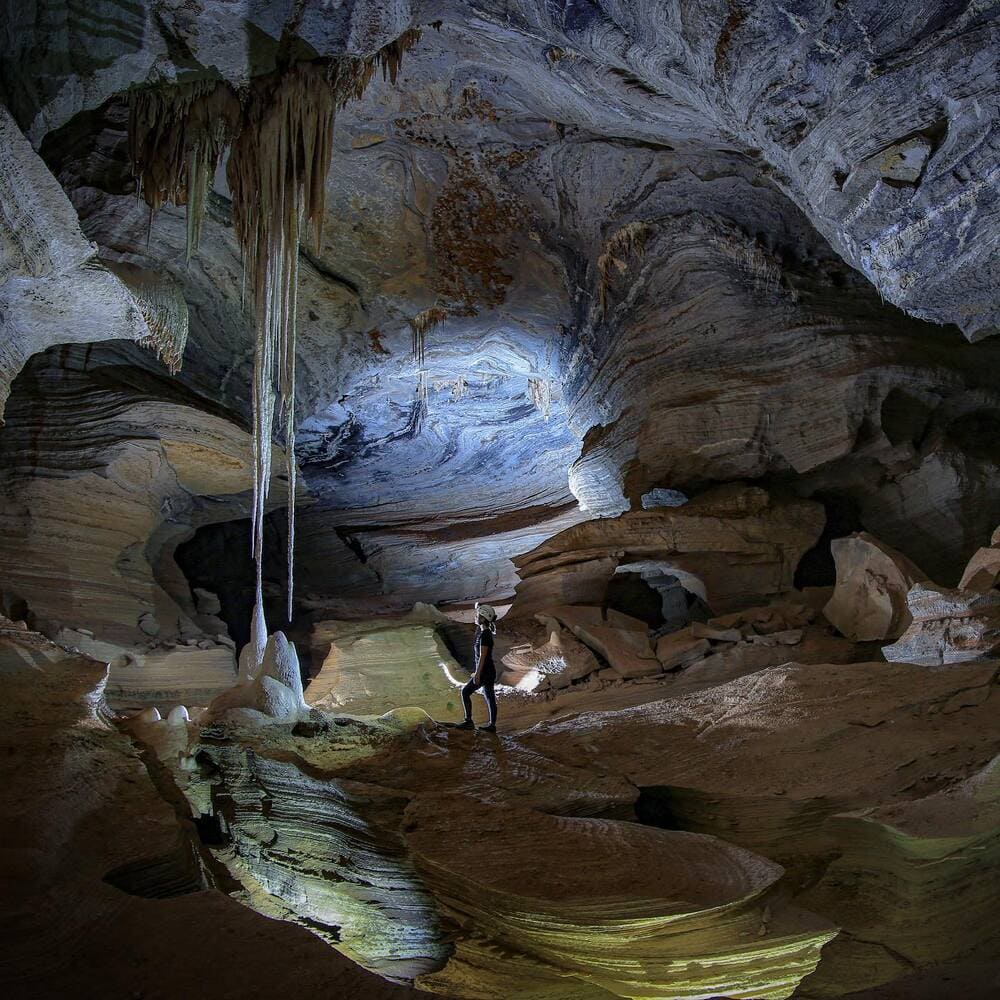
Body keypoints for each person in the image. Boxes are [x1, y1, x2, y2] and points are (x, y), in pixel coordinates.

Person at [455, 602, 498, 732]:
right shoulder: (486, 633)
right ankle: (492, 726)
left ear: (483, 619)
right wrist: (478, 607)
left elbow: (482, 656)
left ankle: (468, 721)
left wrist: (478, 674)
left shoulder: (485, 635)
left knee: (465, 692)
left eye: (478, 615)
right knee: (489, 696)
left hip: (485, 671)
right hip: (489, 670)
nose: (475, 617)